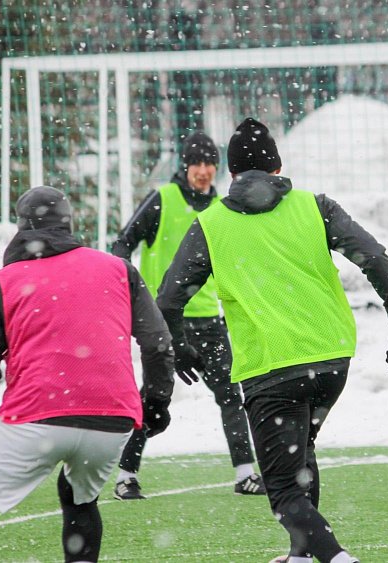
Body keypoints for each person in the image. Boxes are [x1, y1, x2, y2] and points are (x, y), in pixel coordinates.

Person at [157, 117, 388, 563]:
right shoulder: (315, 206)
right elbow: (373, 257)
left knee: (282, 491)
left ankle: (338, 559)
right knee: (300, 453)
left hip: (270, 367)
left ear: (231, 174)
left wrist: (179, 346)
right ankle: (300, 554)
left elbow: (168, 298)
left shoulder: (211, 223)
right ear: (278, 168)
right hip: (330, 360)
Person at [0, 186, 175, 562]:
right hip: (111, 419)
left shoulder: (0, 282)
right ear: (69, 225)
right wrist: (156, 402)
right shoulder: (119, 269)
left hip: (37, 416)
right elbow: (158, 344)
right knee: (80, 499)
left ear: (22, 228)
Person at [109, 131, 264, 499]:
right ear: (185, 166)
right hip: (163, 320)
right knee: (153, 397)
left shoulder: (224, 207)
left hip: (209, 319)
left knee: (231, 394)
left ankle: (245, 474)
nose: (204, 170)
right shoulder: (162, 199)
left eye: (210, 163)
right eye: (197, 162)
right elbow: (123, 243)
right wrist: (128, 290)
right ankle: (125, 477)